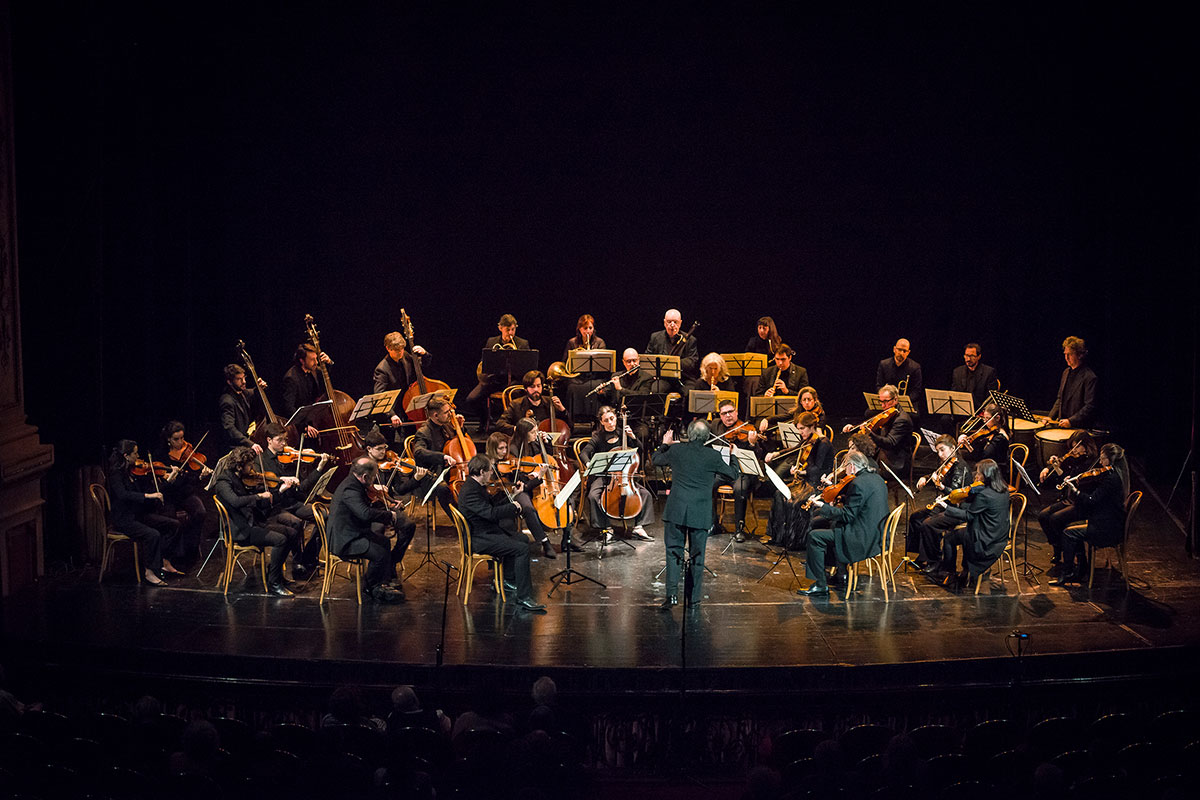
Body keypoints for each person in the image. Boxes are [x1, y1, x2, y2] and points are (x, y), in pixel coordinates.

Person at [652, 419, 739, 607]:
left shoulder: (676, 450)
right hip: (700, 513)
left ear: (688, 435)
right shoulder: (713, 456)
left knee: (673, 553)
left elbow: (655, 460)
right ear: (707, 437)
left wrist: (664, 445)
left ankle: (672, 596)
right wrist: (733, 456)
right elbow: (733, 474)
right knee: (697, 557)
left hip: (676, 511)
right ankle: (693, 599)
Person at [457, 455, 546, 611]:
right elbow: (491, 513)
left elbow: (492, 504)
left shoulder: (475, 485)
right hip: (478, 539)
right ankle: (524, 598)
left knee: (522, 538)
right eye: (490, 471)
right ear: (482, 471)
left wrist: (512, 495)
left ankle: (507, 580)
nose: (492, 473)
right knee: (522, 549)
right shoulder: (470, 491)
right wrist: (514, 507)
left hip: (485, 532)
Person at [799, 451, 888, 597]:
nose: (844, 471)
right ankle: (841, 572)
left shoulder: (857, 483)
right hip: (878, 535)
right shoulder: (877, 478)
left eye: (845, 466)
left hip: (863, 540)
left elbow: (848, 515)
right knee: (833, 525)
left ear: (852, 467)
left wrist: (823, 506)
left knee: (815, 536)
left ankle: (820, 585)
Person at [213, 446, 298, 596]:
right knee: (280, 540)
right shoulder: (224, 481)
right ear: (239, 466)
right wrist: (259, 496)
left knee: (291, 532)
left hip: (254, 522)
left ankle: (274, 572)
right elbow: (236, 501)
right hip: (241, 530)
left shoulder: (242, 479)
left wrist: (278, 492)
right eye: (250, 465)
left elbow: (259, 504)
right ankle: (274, 584)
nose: (253, 468)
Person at [258, 422, 334, 580]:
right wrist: (282, 485)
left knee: (324, 515)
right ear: (268, 440)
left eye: (285, 439)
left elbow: (302, 487)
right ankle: (297, 561)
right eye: (279, 440)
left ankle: (309, 556)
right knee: (295, 523)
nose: (284, 444)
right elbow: (265, 491)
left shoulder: (290, 457)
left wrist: (319, 469)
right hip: (277, 506)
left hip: (292, 502)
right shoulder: (262, 462)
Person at [326, 457, 408, 603]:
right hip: (345, 539)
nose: (374, 483)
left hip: (353, 531)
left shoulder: (354, 483)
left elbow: (365, 509)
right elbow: (364, 513)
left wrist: (387, 508)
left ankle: (381, 582)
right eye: (373, 477)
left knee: (383, 542)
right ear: (364, 477)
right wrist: (388, 515)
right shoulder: (350, 489)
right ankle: (370, 589)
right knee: (380, 554)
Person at [1050, 443, 1130, 586]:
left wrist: (1075, 490)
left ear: (1110, 460)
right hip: (1109, 521)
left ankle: (1069, 572)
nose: (1100, 462)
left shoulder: (1111, 480)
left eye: (1103, 459)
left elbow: (1092, 500)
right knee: (1071, 528)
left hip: (1107, 528)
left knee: (1068, 533)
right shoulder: (1114, 476)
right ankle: (1080, 568)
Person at [104, 439, 181, 585]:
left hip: (137, 515)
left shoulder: (132, 472)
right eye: (135, 453)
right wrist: (148, 496)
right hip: (124, 519)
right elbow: (123, 494)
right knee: (152, 534)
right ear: (126, 455)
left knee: (173, 524)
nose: (138, 456)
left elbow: (150, 491)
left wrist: (168, 480)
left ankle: (164, 560)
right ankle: (149, 572)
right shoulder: (116, 474)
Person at [931, 458, 1012, 590]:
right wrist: (962, 502)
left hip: (986, 540)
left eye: (979, 473)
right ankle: (965, 571)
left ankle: (950, 574)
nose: (976, 476)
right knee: (965, 532)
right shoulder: (1003, 489)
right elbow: (980, 509)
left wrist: (946, 506)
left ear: (987, 476)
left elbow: (969, 516)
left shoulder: (985, 495)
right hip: (1000, 534)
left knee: (950, 537)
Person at [580, 406, 655, 543]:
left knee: (646, 494)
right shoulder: (598, 437)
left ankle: (638, 527)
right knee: (592, 496)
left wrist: (632, 436)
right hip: (603, 476)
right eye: (606, 420)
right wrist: (589, 464)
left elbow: (641, 449)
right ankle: (606, 528)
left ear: (616, 418)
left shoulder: (623, 433)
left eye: (612, 419)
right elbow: (584, 453)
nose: (610, 423)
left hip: (624, 476)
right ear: (601, 422)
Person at [763, 411, 834, 550]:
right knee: (779, 494)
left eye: (802, 428)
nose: (800, 432)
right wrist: (776, 453)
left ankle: (794, 540)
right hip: (806, 481)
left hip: (816, 484)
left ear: (812, 426)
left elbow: (818, 469)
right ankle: (778, 537)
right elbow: (795, 450)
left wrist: (802, 471)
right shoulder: (809, 440)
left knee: (795, 501)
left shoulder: (824, 443)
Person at [485, 425, 558, 558]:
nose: (504, 452)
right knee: (526, 507)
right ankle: (543, 541)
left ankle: (551, 540)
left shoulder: (510, 460)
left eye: (505, 448)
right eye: (500, 449)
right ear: (492, 449)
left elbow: (522, 484)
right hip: (500, 499)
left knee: (529, 507)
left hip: (515, 491)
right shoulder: (487, 465)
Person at [906, 435, 972, 570]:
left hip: (957, 508)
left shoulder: (960, 467)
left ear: (953, 448)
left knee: (927, 524)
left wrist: (941, 487)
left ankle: (934, 560)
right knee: (915, 518)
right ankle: (922, 556)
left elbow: (956, 494)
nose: (940, 455)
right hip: (945, 503)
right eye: (938, 451)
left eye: (942, 450)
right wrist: (925, 478)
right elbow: (937, 473)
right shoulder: (947, 462)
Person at [158, 421, 212, 566]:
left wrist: (200, 477)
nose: (181, 443)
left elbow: (190, 480)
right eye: (176, 439)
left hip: (186, 494)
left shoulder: (187, 453)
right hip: (170, 496)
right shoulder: (162, 456)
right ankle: (171, 555)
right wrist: (176, 477)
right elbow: (167, 486)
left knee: (200, 512)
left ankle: (191, 548)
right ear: (168, 439)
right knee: (171, 521)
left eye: (182, 438)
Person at [709, 399, 762, 541]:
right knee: (706, 485)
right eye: (724, 413)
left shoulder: (748, 429)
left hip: (742, 472)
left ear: (736, 412)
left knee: (739, 489)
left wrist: (752, 444)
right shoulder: (715, 425)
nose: (728, 416)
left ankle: (739, 529)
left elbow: (758, 455)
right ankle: (713, 524)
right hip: (724, 471)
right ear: (720, 415)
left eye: (730, 412)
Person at [411, 395, 465, 517]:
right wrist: (443, 457)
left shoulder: (445, 424)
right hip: (432, 474)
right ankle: (459, 520)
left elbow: (456, 442)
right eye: (446, 413)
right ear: (435, 415)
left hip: (448, 470)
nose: (450, 415)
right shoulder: (423, 432)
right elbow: (418, 452)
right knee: (443, 489)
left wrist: (460, 428)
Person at [843, 384, 914, 477]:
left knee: (860, 469)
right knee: (855, 462)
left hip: (895, 463)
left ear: (895, 400)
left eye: (886, 401)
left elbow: (890, 442)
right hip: (883, 456)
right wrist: (853, 428)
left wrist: (870, 434)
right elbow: (871, 428)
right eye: (881, 401)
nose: (883, 405)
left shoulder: (902, 419)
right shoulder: (888, 414)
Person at [466, 314, 531, 414]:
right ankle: (484, 420)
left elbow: (526, 369)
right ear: (500, 328)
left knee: (516, 397)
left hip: (514, 382)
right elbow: (484, 363)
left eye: (513, 329)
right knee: (471, 399)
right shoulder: (491, 342)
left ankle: (511, 423)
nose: (511, 333)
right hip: (493, 381)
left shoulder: (522, 343)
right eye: (507, 329)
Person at [373, 330, 430, 433]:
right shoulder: (382, 369)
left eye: (402, 349)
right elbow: (379, 395)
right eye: (396, 350)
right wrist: (391, 414)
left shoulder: (405, 356)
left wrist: (424, 354)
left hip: (408, 406)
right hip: (395, 410)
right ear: (388, 349)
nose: (400, 352)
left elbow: (421, 366)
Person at [562, 314, 608, 420]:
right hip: (577, 377)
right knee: (572, 387)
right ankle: (574, 419)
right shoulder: (572, 342)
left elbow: (603, 366)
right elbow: (565, 362)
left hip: (594, 377)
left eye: (590, 328)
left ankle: (594, 418)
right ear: (579, 328)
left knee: (596, 385)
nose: (588, 331)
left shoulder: (599, 342)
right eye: (585, 328)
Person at [496, 370, 571, 436]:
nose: (536, 389)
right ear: (526, 389)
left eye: (538, 386)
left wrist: (562, 410)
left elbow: (570, 427)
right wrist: (518, 429)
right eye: (532, 386)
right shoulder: (516, 404)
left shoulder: (550, 403)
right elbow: (500, 424)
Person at [1046, 336, 1098, 430]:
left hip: (1079, 429)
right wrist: (1050, 417)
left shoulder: (1090, 377)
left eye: (1069, 354)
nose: (1066, 358)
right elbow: (1059, 399)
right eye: (1065, 354)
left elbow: (1089, 406)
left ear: (1079, 355)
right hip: (1063, 425)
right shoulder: (1066, 372)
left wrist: (1071, 421)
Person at [280, 343, 330, 440]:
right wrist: (304, 426)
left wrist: (328, 362)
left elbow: (326, 378)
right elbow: (289, 408)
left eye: (316, 358)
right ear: (302, 360)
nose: (316, 362)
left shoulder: (313, 370)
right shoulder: (291, 378)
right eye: (312, 359)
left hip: (313, 419)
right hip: (300, 428)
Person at [645, 308, 699, 387]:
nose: (672, 325)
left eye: (675, 322)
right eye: (669, 322)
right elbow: (648, 358)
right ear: (664, 323)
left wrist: (674, 363)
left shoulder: (690, 339)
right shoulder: (655, 337)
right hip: (663, 378)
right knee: (656, 389)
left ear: (680, 323)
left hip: (684, 378)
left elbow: (693, 361)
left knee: (689, 391)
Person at [218, 364, 264, 453]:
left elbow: (253, 392)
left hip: (244, 444)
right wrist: (250, 444)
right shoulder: (227, 400)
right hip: (235, 449)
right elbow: (229, 428)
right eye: (239, 379)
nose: (244, 382)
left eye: (244, 377)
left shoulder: (242, 392)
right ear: (229, 382)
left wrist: (260, 387)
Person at [876, 338, 923, 416]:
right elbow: (879, 386)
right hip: (886, 402)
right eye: (899, 350)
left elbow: (916, 391)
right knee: (868, 413)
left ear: (908, 352)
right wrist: (887, 399)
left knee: (915, 416)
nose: (901, 353)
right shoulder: (884, 364)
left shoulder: (915, 367)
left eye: (904, 351)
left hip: (905, 403)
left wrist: (900, 401)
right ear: (894, 349)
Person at [742, 316, 782, 398]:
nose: (761, 331)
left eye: (764, 328)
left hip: (770, 373)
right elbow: (747, 359)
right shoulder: (753, 341)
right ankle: (753, 407)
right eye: (759, 328)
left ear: (770, 329)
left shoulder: (776, 342)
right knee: (754, 382)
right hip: (755, 374)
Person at [951, 342, 1000, 410]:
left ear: (979, 356)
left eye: (972, 356)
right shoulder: (957, 371)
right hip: (961, 410)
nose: (968, 359)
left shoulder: (989, 372)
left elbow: (990, 399)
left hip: (979, 411)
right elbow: (954, 394)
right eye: (966, 355)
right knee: (945, 419)